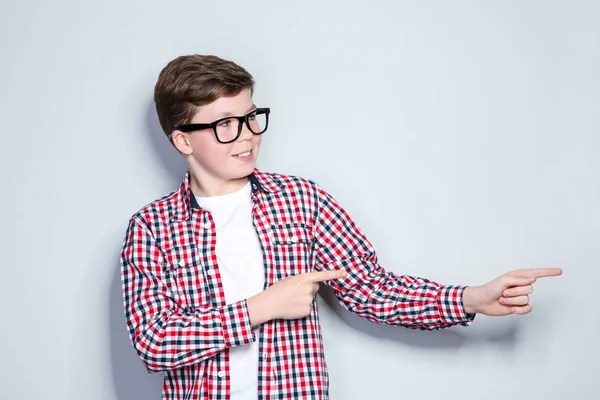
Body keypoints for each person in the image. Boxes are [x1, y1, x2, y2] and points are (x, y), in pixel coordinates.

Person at [119, 54, 562, 400]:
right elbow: (153, 342)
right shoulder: (152, 228)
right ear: (182, 139)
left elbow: (372, 289)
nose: (249, 135)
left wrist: (470, 299)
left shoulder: (301, 201)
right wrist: (261, 307)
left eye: (252, 117)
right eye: (226, 125)